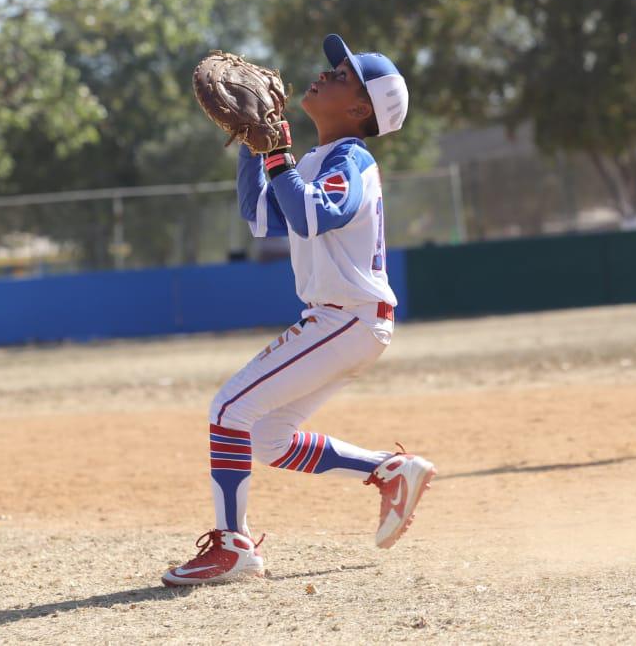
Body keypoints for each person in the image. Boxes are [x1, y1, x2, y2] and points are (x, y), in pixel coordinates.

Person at [163, 34, 435, 586]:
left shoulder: (353, 160)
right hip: (341, 320)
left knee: (228, 408)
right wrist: (250, 143)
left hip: (349, 317)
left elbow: (315, 217)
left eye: (342, 77)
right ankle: (388, 469)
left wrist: (277, 155)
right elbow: (262, 215)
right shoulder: (316, 158)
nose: (325, 75)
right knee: (264, 436)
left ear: (361, 110)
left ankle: (233, 548)